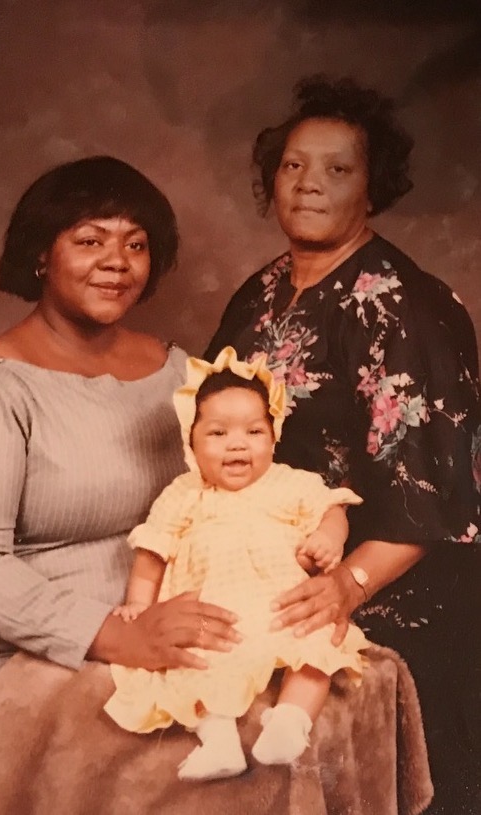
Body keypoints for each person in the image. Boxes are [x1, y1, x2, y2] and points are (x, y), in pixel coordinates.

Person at [205, 76, 481, 814]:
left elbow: (435, 500)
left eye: (337, 168)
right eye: (294, 166)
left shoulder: (406, 306)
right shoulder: (256, 296)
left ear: (372, 187)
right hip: (269, 572)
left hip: (386, 594)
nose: (310, 186)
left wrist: (342, 590)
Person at [0, 155, 239, 753]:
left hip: (165, 625)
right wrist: (114, 636)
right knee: (170, 759)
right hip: (17, 654)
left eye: (136, 244)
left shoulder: (179, 369)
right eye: (90, 240)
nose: (116, 261)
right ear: (41, 254)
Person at [104, 346, 368, 781]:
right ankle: (219, 740)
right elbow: (154, 550)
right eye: (218, 433)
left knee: (318, 645)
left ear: (273, 434)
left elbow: (331, 509)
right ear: (191, 440)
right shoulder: (184, 493)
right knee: (194, 666)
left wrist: (328, 538)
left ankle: (290, 722)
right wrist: (139, 605)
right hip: (212, 615)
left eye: (254, 431)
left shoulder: (289, 483)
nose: (238, 444)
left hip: (281, 607)